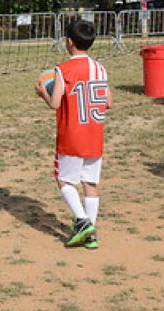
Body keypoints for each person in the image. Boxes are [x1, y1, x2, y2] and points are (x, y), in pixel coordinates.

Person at [35, 19, 111, 250]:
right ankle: (91, 234)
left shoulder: (63, 69)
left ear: (69, 41)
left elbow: (55, 103)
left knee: (64, 180)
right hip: (94, 134)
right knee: (90, 183)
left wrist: (42, 93)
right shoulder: (100, 67)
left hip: (72, 134)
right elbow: (109, 101)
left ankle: (82, 221)